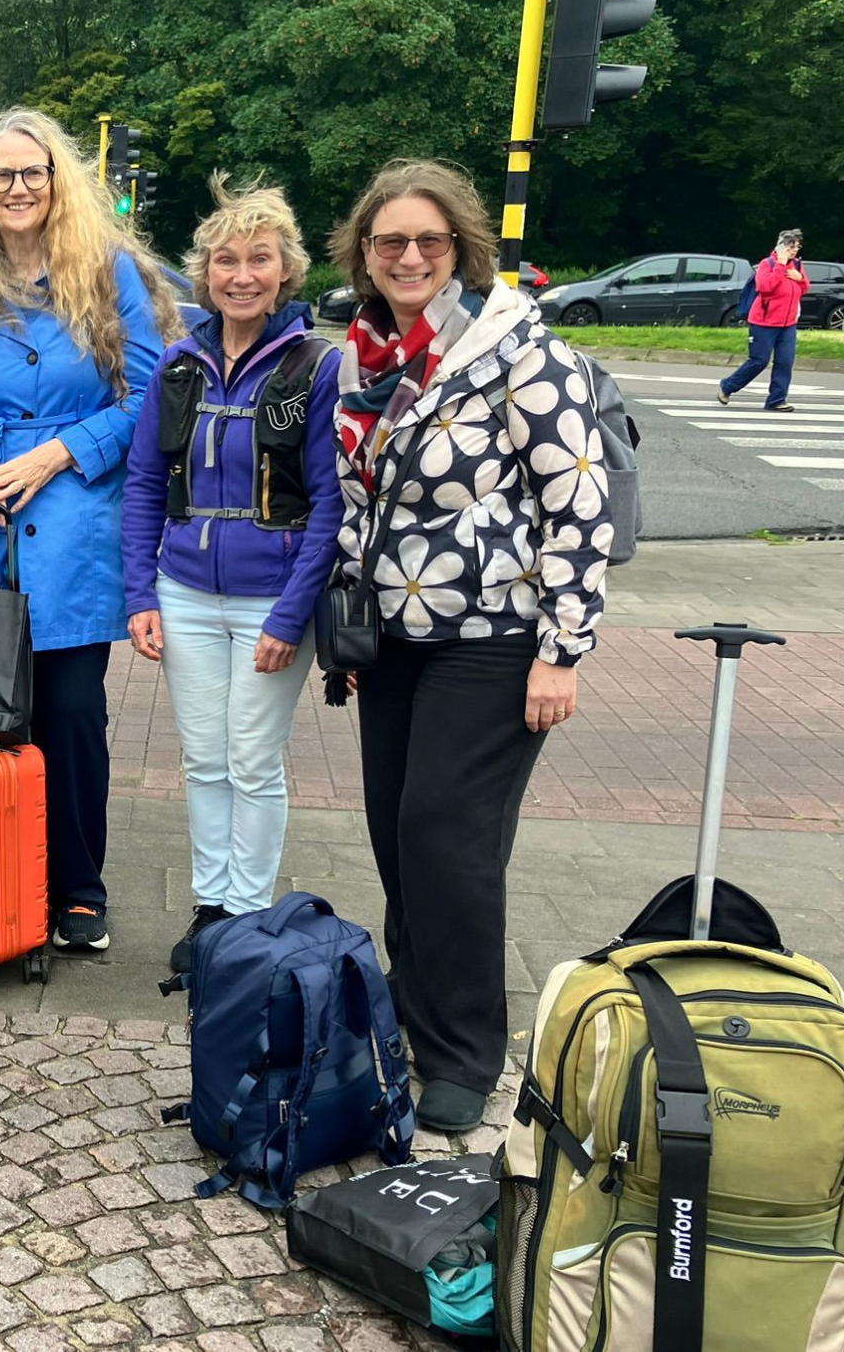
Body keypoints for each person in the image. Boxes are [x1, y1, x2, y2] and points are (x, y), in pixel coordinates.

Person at [327, 158, 612, 1132]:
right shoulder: (367, 353)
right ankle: (413, 1020)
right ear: (362, 253)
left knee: (445, 839)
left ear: (460, 248)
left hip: (492, 638)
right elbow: (358, 500)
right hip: (393, 640)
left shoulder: (516, 352)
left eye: (427, 241)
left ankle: (461, 1050)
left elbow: (577, 503)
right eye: (387, 241)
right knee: (396, 836)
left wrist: (562, 649)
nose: (407, 256)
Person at [0, 108, 180, 953]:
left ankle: (78, 888)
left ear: (57, 181)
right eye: (1, 175)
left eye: (32, 173)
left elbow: (145, 399)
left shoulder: (108, 276)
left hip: (72, 524)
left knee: (69, 714)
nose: (17, 187)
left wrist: (62, 452)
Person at [121, 174, 342, 970]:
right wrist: (140, 594)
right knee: (203, 759)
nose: (240, 275)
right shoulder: (178, 366)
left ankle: (250, 916)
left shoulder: (317, 367)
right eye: (224, 261)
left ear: (287, 269)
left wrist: (291, 616)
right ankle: (212, 907)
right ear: (205, 273)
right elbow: (145, 483)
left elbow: (331, 505)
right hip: (184, 593)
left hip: (268, 601)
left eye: (258, 258)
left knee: (253, 758)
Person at [720, 228, 808, 412]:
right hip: (764, 322)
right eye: (792, 247)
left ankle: (776, 400)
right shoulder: (767, 264)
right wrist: (780, 267)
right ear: (781, 247)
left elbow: (804, 288)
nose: (795, 251)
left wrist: (799, 279)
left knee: (785, 361)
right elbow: (765, 287)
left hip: (788, 324)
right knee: (759, 360)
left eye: (797, 247)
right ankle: (728, 386)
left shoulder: (797, 266)